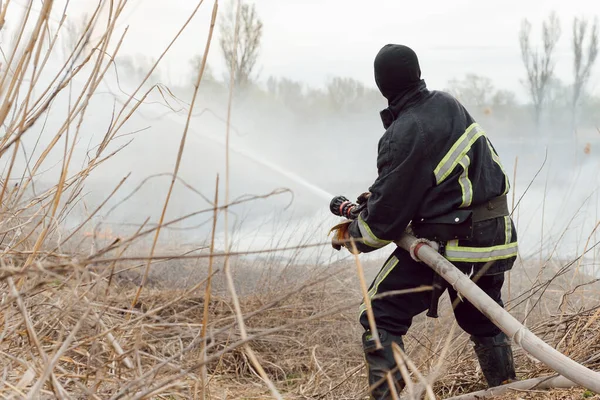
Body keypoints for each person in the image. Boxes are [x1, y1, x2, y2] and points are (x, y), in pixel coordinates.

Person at [331, 44, 518, 399]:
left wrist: (352, 233)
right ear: (417, 73)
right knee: (483, 317)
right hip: (494, 236)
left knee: (379, 314)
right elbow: (435, 180)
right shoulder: (447, 104)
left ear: (381, 85)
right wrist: (381, 198)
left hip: (450, 240)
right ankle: (507, 389)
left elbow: (380, 226)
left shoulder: (404, 131)